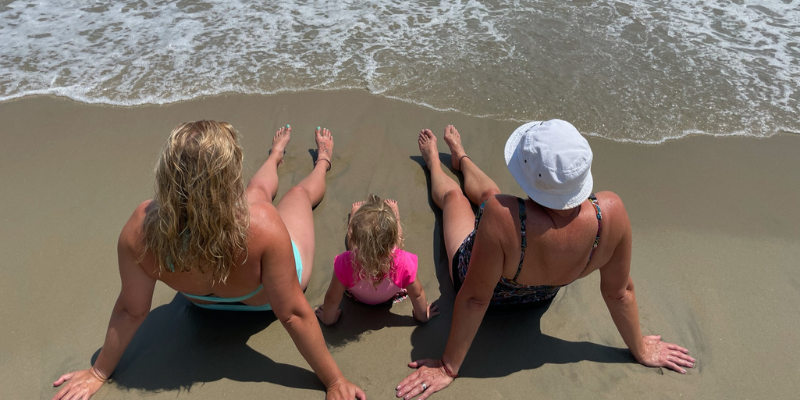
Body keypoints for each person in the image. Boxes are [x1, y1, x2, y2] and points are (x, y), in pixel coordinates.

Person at [51, 121, 366, 400]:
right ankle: (322, 161)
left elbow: (131, 310)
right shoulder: (262, 225)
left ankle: (274, 156)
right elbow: (292, 314)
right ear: (228, 177)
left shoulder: (141, 227)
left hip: (202, 303)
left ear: (166, 174)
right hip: (264, 302)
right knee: (295, 195)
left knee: (256, 193)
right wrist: (334, 380)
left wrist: (98, 373)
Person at [396, 122, 695, 400]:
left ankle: (434, 162)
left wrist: (448, 367)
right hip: (539, 295)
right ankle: (461, 159)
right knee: (491, 197)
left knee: (456, 198)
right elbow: (620, 292)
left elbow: (474, 298)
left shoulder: (504, 216)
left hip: (483, 284)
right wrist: (640, 350)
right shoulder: (611, 215)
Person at [315, 195, 438, 325]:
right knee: (397, 244)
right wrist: (423, 316)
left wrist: (328, 319)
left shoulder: (345, 262)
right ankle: (395, 216)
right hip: (390, 297)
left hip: (358, 298)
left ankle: (353, 220)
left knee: (355, 248)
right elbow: (417, 294)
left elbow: (332, 299)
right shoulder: (403, 262)